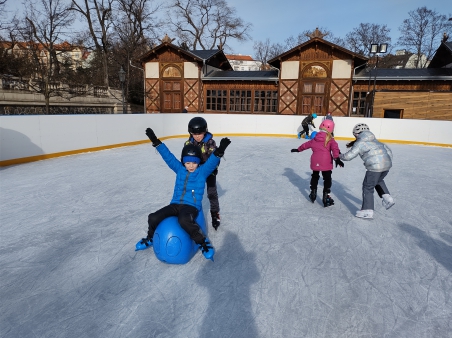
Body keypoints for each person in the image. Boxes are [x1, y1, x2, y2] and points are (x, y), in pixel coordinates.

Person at [136, 127, 231, 260]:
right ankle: (150, 238)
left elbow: (211, 162)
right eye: (187, 162)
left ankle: (203, 242)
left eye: (194, 163)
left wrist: (220, 150)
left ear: (198, 163)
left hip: (191, 206)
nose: (191, 166)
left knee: (184, 220)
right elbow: (168, 156)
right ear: (183, 162)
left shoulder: (202, 172)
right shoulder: (180, 169)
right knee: (153, 217)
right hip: (175, 204)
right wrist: (155, 141)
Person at [339, 123, 394, 219]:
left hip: (374, 168)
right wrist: (385, 163)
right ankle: (387, 198)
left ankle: (367, 211)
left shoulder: (360, 143)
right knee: (378, 181)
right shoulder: (376, 141)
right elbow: (389, 152)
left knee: (368, 187)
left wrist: (339, 156)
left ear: (356, 134)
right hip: (387, 165)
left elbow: (348, 157)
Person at [291, 119, 344, 207]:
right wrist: (337, 159)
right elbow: (335, 149)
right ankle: (326, 196)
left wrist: (298, 149)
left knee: (315, 176)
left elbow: (306, 145)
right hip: (326, 161)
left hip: (315, 160)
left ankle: (313, 192)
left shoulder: (315, 138)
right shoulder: (330, 139)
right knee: (327, 178)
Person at [184, 117, 222, 230]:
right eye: (194, 133)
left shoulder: (210, 143)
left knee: (212, 193)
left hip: (209, 172)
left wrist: (211, 167)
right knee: (192, 192)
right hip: (195, 172)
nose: (197, 136)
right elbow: (185, 158)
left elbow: (215, 159)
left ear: (205, 131)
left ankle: (215, 214)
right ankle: (190, 212)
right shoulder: (188, 143)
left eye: (200, 133)